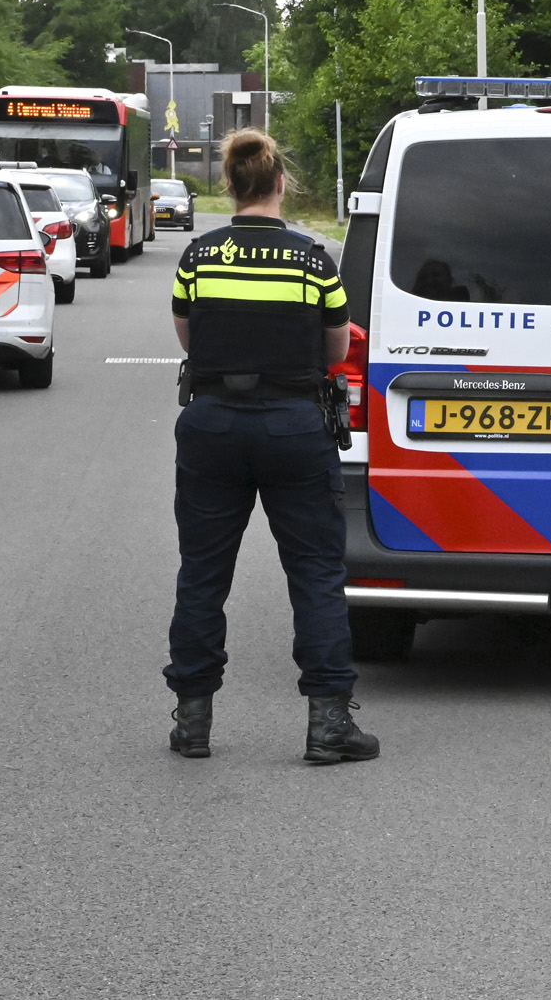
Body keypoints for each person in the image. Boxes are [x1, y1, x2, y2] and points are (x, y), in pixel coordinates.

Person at [165, 129, 378, 765]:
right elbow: (337, 348)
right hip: (294, 427)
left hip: (212, 428)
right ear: (280, 184)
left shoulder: (199, 257)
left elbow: (188, 337)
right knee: (315, 573)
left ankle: (193, 720)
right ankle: (328, 724)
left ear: (230, 185)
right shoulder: (314, 262)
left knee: (203, 573)